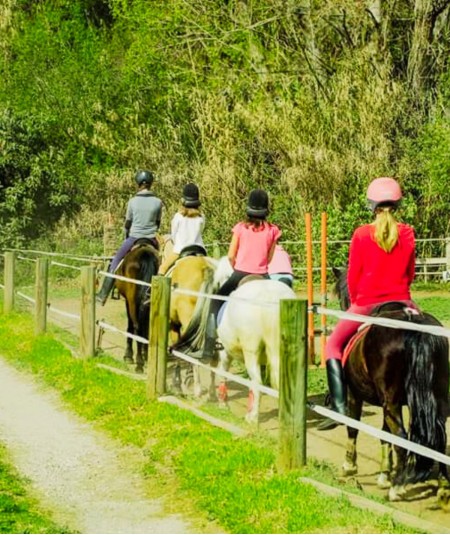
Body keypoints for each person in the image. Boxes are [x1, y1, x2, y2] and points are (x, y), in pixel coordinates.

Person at [318, 176, 417, 430]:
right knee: (430, 336)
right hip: (404, 301)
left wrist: (357, 300)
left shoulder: (362, 234)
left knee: (332, 346)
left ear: (371, 206)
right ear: (398, 205)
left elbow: (353, 277)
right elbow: (411, 274)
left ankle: (339, 408)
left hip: (366, 304)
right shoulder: (407, 232)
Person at [203, 188, 281, 356]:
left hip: (240, 273)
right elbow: (269, 258)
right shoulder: (273, 230)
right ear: (266, 209)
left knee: (214, 302)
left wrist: (237, 266)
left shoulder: (240, 228)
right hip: (262, 276)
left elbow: (231, 255)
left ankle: (210, 342)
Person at [96, 170, 162, 306]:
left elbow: (128, 223)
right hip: (151, 239)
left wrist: (126, 234)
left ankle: (103, 294)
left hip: (134, 238)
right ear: (151, 184)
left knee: (115, 262)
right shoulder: (158, 202)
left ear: (138, 184)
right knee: (163, 264)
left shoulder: (132, 202)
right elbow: (157, 223)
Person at [158, 183, 205, 275]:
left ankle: (153, 289)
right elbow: (201, 231)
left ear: (183, 200)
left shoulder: (178, 216)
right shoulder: (202, 217)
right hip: (199, 250)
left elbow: (174, 235)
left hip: (180, 251)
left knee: (162, 268)